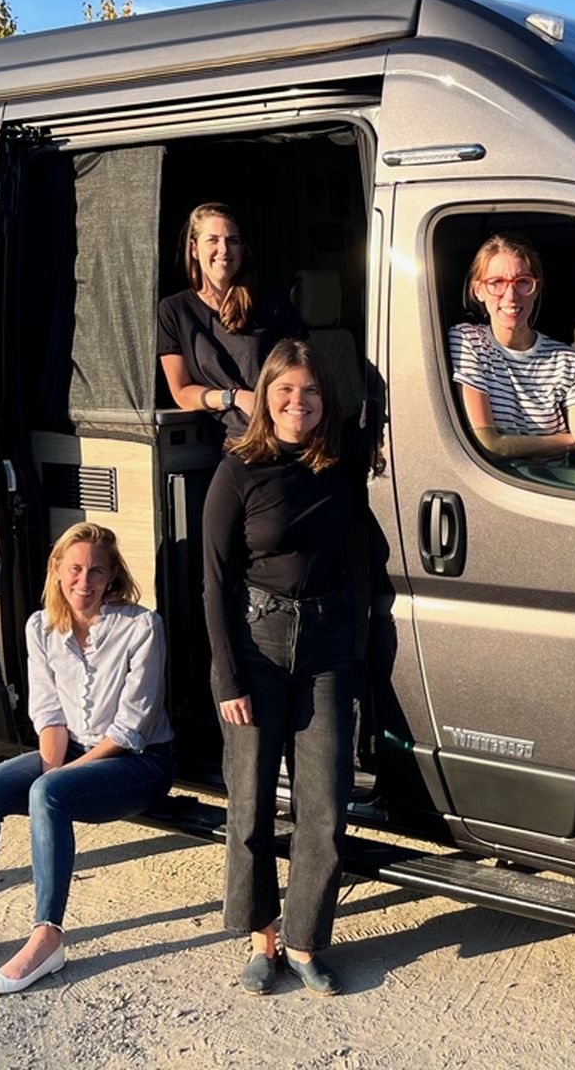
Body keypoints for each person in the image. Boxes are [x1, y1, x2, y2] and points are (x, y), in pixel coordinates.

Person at [0, 522, 174, 994]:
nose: (85, 581)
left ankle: (47, 937)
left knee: (49, 791)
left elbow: (132, 725)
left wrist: (58, 778)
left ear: (113, 575)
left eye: (97, 571)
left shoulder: (142, 626)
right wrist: (54, 766)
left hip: (139, 761)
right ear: (57, 570)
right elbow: (49, 712)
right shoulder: (41, 626)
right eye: (75, 569)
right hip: (72, 749)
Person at [202, 338, 365, 997]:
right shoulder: (239, 469)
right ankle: (261, 939)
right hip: (257, 643)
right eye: (285, 392)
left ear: (326, 400)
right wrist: (226, 678)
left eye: (311, 392)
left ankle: (304, 942)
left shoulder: (342, 461)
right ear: (266, 398)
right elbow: (213, 582)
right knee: (250, 808)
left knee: (324, 806)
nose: (299, 403)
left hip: (325, 644)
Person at [449, 233, 575, 474]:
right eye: (496, 283)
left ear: (536, 288)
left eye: (522, 281)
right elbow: (489, 444)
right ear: (478, 291)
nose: (511, 296)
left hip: (561, 493)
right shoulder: (467, 341)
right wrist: (570, 440)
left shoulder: (567, 360)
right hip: (496, 492)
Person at [158, 202, 305, 440]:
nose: (224, 249)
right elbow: (182, 392)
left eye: (232, 240)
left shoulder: (272, 305)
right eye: (213, 240)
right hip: (229, 441)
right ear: (194, 249)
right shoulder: (174, 310)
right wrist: (235, 397)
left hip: (282, 433)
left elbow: (301, 375)